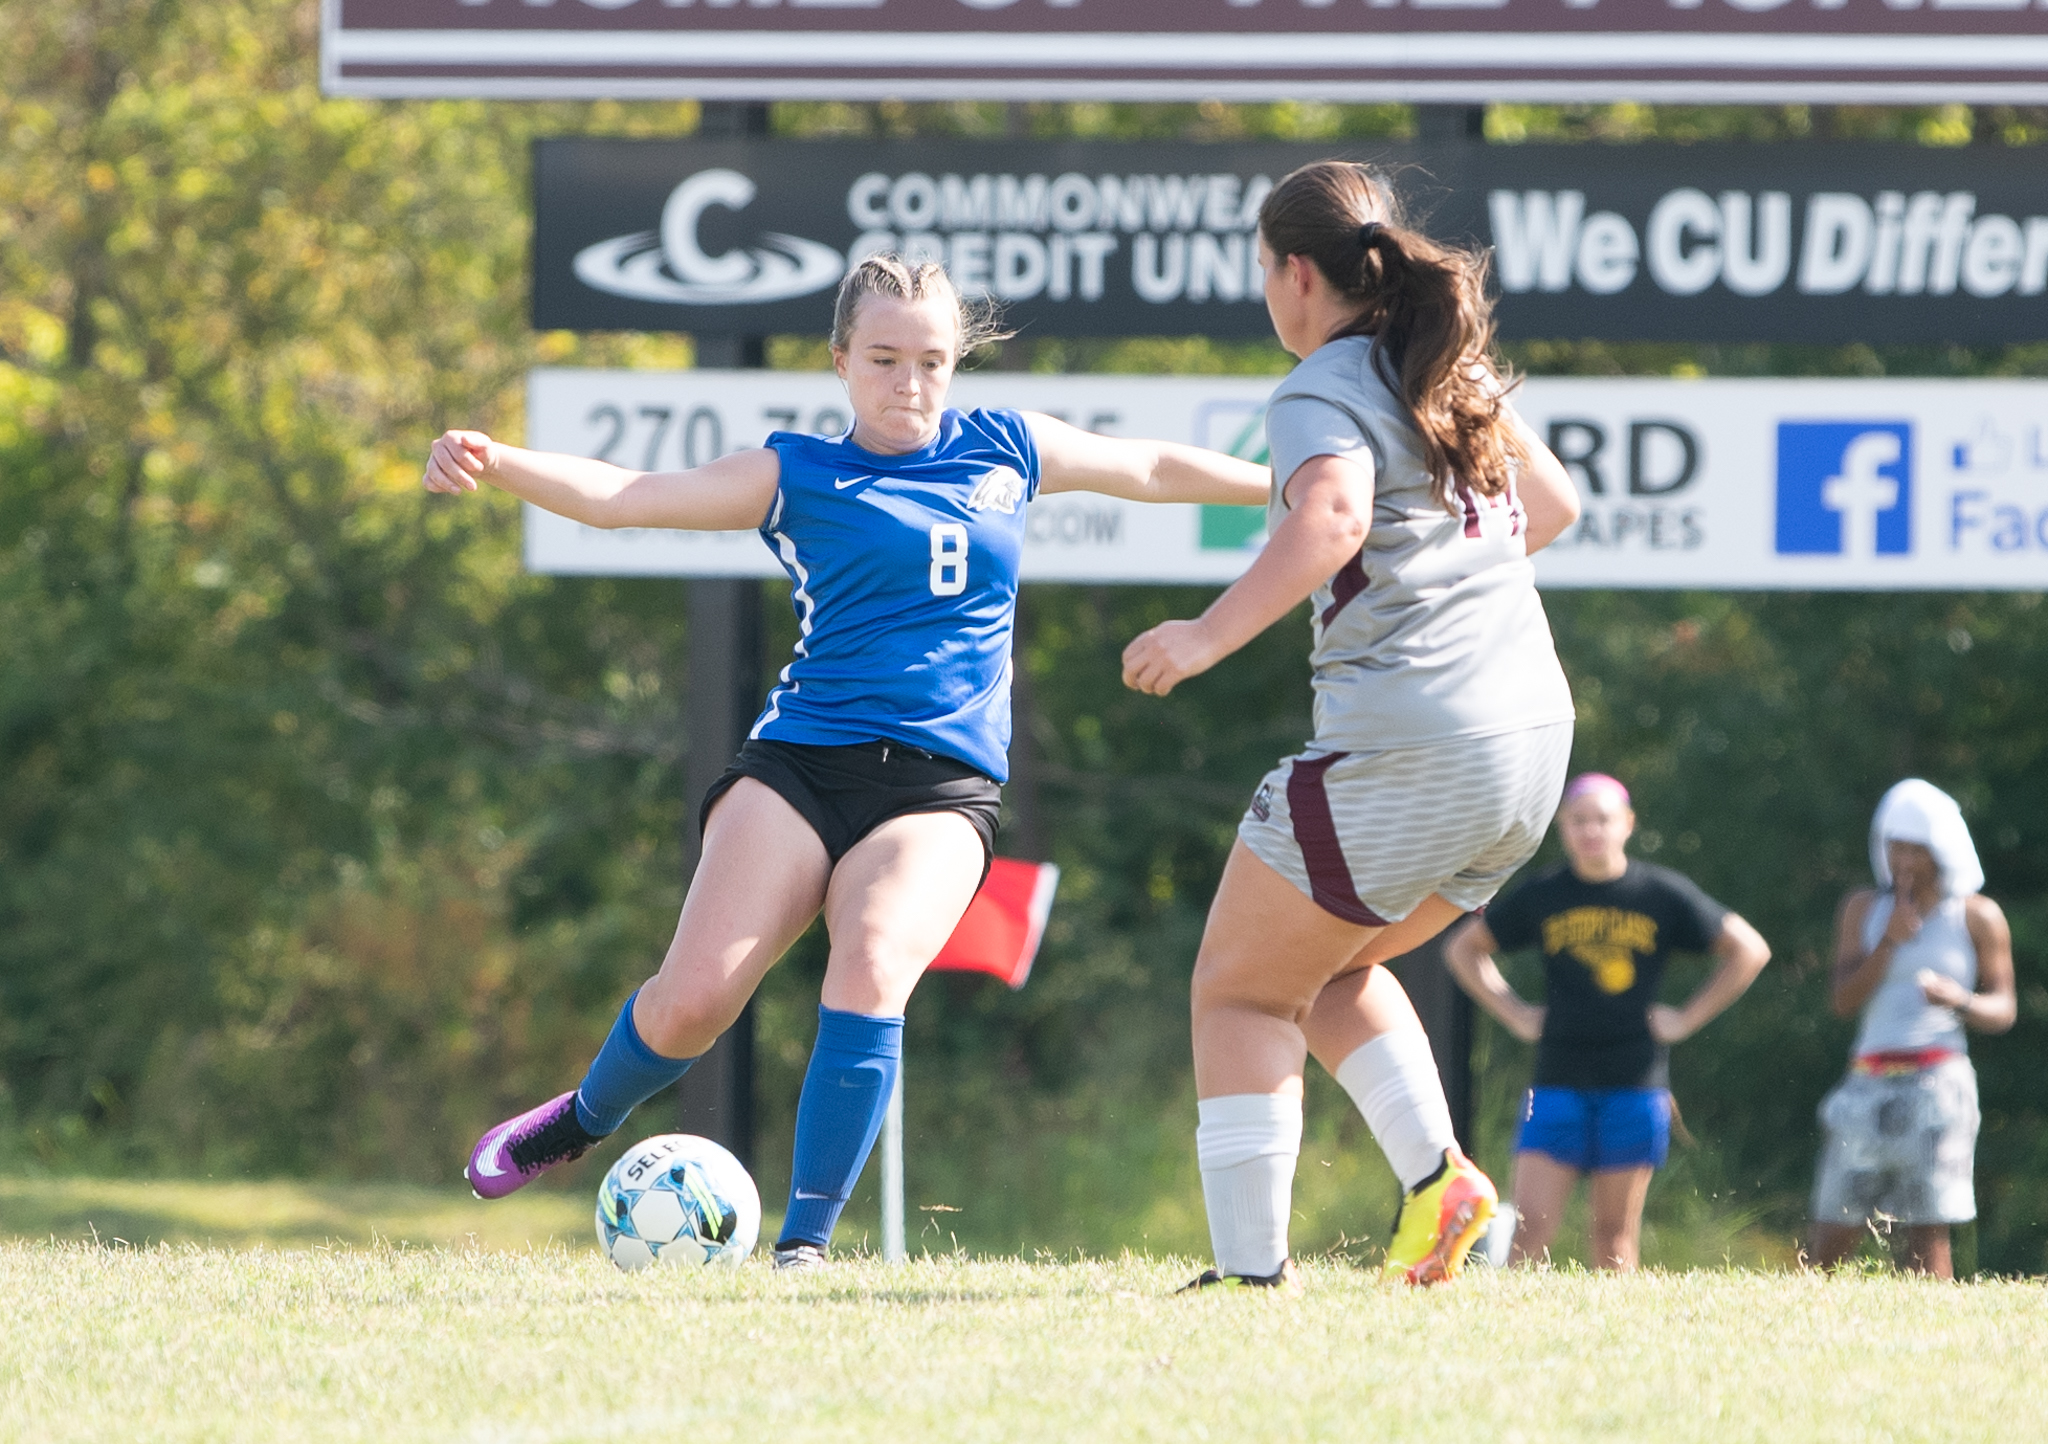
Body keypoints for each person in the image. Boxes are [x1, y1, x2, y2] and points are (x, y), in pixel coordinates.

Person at [424, 255, 1269, 1268]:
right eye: (882, 359)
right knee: (693, 1001)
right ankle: (579, 1116)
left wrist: (1290, 485)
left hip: (939, 788)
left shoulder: (1008, 446)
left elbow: (1153, 470)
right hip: (799, 767)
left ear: (957, 364)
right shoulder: (796, 473)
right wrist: (495, 459)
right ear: (838, 360)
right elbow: (627, 496)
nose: (907, 384)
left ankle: (802, 1249)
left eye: (931, 361)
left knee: (870, 962)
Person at [1120, 161, 1584, 1290]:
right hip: (1530, 747)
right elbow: (1559, 508)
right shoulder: (1448, 366)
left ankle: (1245, 1278)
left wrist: (1204, 634)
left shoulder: (1317, 383)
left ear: (1292, 272)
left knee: (1236, 987)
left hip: (1414, 749)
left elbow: (1330, 516)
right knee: (1322, 967)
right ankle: (1442, 1185)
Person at [1442, 773, 1771, 1271]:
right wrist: (1515, 1014)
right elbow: (1464, 948)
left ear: (1627, 824)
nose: (1590, 830)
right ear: (1562, 827)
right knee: (1530, 1232)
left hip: (1634, 1083)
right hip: (1555, 1081)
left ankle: (1616, 1343)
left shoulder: (1659, 893)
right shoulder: (1544, 893)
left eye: (1602, 819)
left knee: (1613, 1240)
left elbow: (1748, 949)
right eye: (1578, 821)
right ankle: (1509, 1335)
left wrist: (1686, 1018)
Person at [1806, 779, 2014, 1278]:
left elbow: (2003, 1009)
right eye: (1894, 845)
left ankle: (1930, 1333)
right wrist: (1889, 943)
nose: (1902, 859)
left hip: (1937, 1079)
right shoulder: (1863, 909)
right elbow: (1842, 1001)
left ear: (1942, 849)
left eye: (1915, 847)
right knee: (1833, 1224)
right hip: (1868, 1077)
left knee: (1926, 1227)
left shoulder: (1976, 916)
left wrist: (1959, 999)